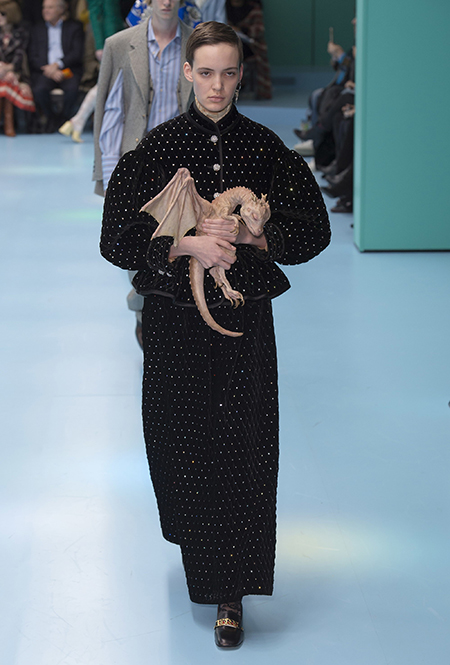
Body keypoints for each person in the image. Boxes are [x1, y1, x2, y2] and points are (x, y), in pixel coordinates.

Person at [100, 21, 331, 648]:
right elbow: (115, 239)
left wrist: (256, 235)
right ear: (188, 73)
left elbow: (314, 229)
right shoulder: (157, 149)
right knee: (178, 443)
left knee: (242, 448)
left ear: (240, 74)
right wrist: (186, 245)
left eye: (229, 73)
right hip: (172, 322)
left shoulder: (264, 148)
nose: (218, 86)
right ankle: (198, 545)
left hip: (242, 322)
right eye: (206, 73)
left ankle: (230, 593)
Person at [27, 0, 84, 132]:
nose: (45, 11)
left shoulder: (74, 27)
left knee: (72, 89)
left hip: (67, 69)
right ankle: (51, 118)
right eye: (44, 8)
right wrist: (50, 70)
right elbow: (32, 56)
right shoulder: (36, 29)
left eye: (50, 7)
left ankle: (63, 119)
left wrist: (58, 65)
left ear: (61, 9)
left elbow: (76, 53)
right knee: (39, 89)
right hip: (46, 71)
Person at [0, 4, 36, 136]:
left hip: (17, 73)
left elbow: (20, 56)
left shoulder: (21, 33)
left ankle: (8, 124)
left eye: (2, 14)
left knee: (8, 82)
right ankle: (7, 124)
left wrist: (9, 70)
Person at [226, 0, 271, 99]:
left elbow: (258, 31)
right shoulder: (223, 8)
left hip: (250, 45)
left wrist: (241, 30)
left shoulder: (253, 8)